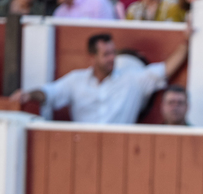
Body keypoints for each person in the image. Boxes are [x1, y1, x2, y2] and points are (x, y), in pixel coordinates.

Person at [11, 30, 190, 124]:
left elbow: (166, 70)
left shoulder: (131, 79)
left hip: (120, 149)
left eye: (113, 53)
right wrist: (29, 95)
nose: (112, 59)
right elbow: (49, 93)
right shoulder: (75, 80)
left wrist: (186, 42)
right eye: (106, 54)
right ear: (92, 57)